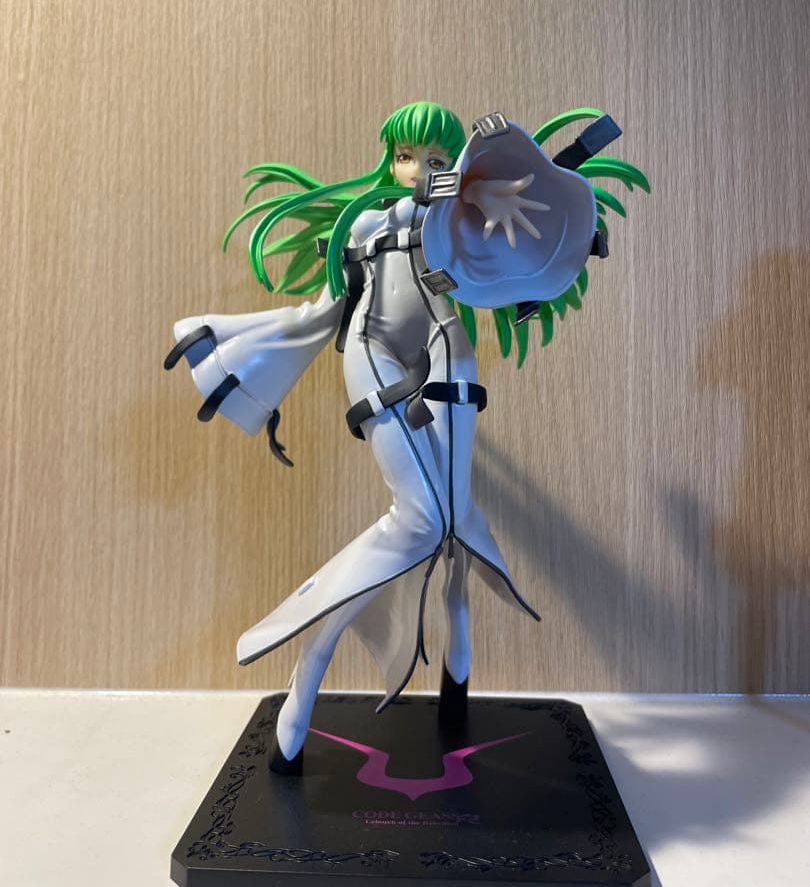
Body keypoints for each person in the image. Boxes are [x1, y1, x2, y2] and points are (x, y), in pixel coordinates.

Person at [165, 101, 648, 771]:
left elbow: (490, 251)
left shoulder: (454, 214)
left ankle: (457, 636)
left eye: (438, 159)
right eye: (406, 156)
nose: (421, 169)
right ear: (388, 160)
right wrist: (247, 350)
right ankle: (314, 658)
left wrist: (487, 196)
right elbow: (329, 307)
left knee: (453, 515)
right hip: (374, 350)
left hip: (447, 344)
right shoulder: (365, 221)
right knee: (423, 520)